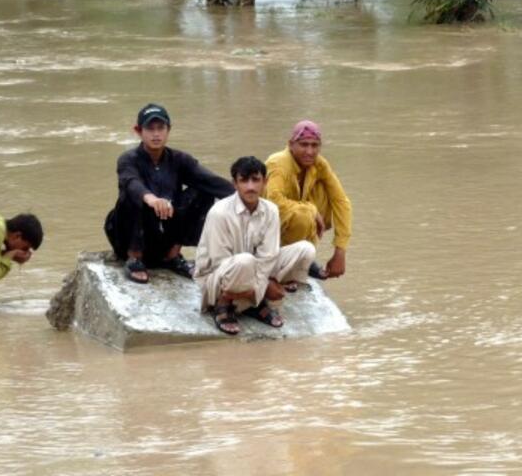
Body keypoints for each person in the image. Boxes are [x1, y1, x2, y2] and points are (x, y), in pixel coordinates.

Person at [105, 103, 234, 284]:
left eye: (160, 128)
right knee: (131, 196)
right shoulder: (128, 159)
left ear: (168, 130)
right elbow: (131, 182)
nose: (156, 134)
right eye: (150, 128)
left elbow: (210, 181)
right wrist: (150, 198)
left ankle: (172, 256)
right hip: (130, 236)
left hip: (164, 231)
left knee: (203, 191)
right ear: (138, 131)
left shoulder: (180, 160)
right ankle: (134, 258)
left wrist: (246, 198)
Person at [194, 156, 316, 335]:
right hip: (217, 277)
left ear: (265, 182)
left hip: (255, 271)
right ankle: (225, 305)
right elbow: (219, 262)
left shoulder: (271, 210)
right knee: (245, 261)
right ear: (234, 183)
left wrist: (260, 284)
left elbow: (268, 257)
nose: (250, 187)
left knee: (306, 249)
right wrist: (264, 288)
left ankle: (250, 303)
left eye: (256, 180)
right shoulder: (219, 213)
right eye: (244, 180)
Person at [265, 120, 352, 280]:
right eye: (304, 145)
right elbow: (274, 203)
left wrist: (340, 251)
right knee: (304, 215)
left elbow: (341, 201)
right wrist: (311, 209)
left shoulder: (319, 164)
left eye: (314, 145)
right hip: (267, 230)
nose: (310, 151)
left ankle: (304, 256)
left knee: (325, 192)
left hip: (292, 225)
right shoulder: (278, 163)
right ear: (291, 144)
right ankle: (285, 268)